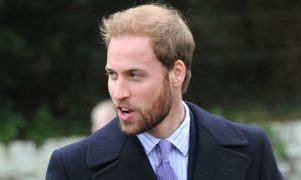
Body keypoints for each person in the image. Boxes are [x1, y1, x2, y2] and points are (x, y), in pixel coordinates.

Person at [46, 3, 283, 180]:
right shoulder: (73, 168)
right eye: (112, 75)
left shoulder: (252, 148)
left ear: (177, 72)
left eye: (135, 75)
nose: (118, 92)